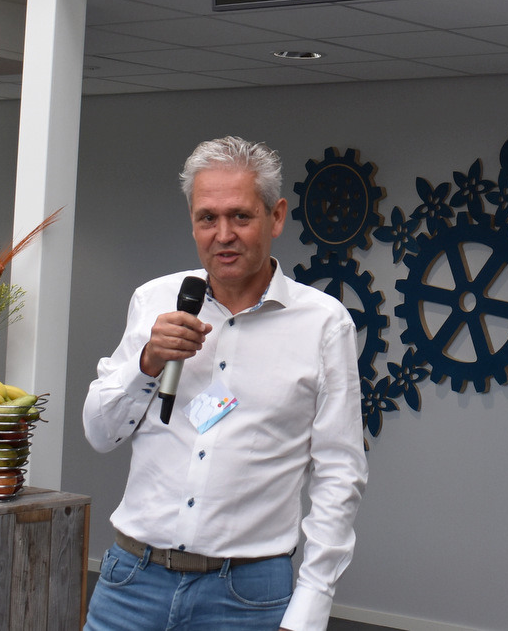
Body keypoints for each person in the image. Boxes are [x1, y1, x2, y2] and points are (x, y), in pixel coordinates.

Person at [83, 137, 367, 631]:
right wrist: (147, 363)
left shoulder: (324, 323)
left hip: (246, 596)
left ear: (276, 217)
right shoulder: (155, 300)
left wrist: (312, 603)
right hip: (131, 581)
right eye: (207, 218)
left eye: (240, 216)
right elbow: (99, 433)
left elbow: (339, 472)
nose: (223, 235)